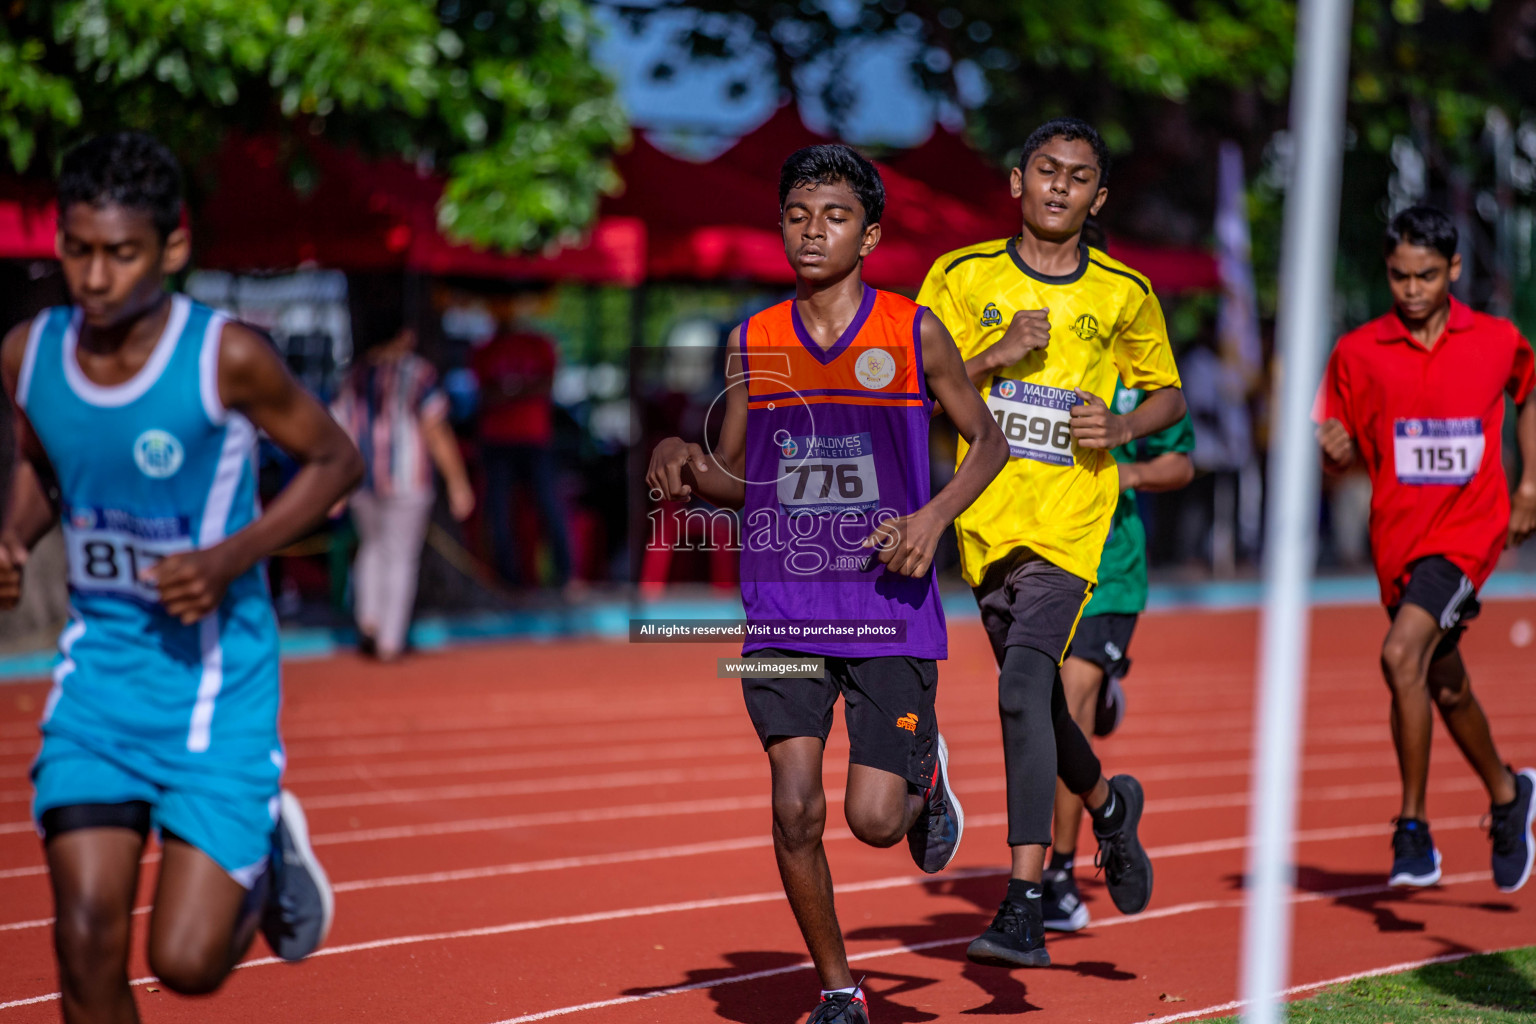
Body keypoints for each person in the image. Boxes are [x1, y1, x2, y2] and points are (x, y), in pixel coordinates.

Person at [0, 132, 363, 1022]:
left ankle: (268, 848)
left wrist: (228, 557)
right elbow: (45, 468)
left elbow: (335, 462)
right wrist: (11, 537)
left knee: (188, 963)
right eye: (77, 251)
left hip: (215, 690)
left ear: (171, 246)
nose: (94, 278)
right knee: (85, 943)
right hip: (99, 686)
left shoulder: (225, 357)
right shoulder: (29, 355)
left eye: (120, 254)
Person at [648, 144, 1007, 1024]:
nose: (814, 232)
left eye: (835, 216)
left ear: (870, 234)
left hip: (888, 609)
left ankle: (923, 768)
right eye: (799, 216)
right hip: (781, 610)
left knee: (875, 821)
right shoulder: (753, 338)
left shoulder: (912, 330)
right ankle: (841, 991)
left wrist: (931, 521)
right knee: (794, 806)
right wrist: (682, 462)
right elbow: (739, 479)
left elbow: (988, 442)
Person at [917, 117, 1184, 967]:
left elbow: (1168, 397)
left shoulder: (1124, 291)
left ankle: (1025, 903)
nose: (1060, 186)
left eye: (1078, 177)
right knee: (1031, 700)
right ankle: (1109, 806)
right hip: (985, 525)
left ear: (1096, 197)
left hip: (1073, 530)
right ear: (1016, 181)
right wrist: (996, 351)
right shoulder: (960, 276)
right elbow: (918, 385)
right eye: (1045, 170)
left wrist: (1126, 420)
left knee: (1020, 691)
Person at [1315, 204, 1536, 891]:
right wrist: (1334, 451)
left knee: (1399, 655)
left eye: (1427, 276)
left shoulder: (1497, 339)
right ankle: (1508, 794)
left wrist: (1529, 486)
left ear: (1455, 270)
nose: (1411, 290)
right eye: (1399, 276)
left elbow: (1531, 393)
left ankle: (1412, 828)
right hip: (1398, 541)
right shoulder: (1356, 351)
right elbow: (1337, 446)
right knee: (1440, 679)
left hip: (1470, 532)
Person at [1043, 381, 1194, 930]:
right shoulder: (1034, 350)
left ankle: (1057, 875)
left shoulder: (1138, 368)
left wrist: (1125, 467)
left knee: (1067, 702)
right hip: (1039, 561)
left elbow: (1181, 465)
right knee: (1042, 707)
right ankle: (1102, 699)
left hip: (1111, 572)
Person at [332, 324, 475, 661]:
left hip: (361, 479)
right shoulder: (418, 373)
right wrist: (458, 482)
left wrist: (335, 487)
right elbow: (435, 429)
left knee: (371, 549)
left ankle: (368, 619)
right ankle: (390, 640)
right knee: (399, 557)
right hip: (408, 479)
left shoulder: (354, 375)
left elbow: (337, 430)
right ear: (404, 335)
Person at [470, 308, 570, 588]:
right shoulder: (485, 349)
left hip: (534, 439)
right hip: (496, 441)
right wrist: (521, 390)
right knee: (498, 510)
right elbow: (486, 394)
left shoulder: (539, 345)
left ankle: (564, 575)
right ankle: (506, 578)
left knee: (548, 504)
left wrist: (508, 392)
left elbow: (544, 387)